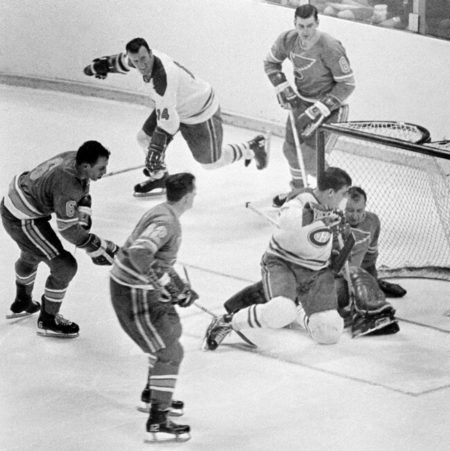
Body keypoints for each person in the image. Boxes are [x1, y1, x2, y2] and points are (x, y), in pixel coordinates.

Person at [84, 37, 269, 197]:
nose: (141, 65)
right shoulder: (139, 59)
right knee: (143, 138)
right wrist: (103, 66)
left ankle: (251, 147)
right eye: (136, 61)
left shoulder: (163, 77)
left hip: (199, 112)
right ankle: (160, 177)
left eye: (143, 59)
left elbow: (169, 123)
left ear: (150, 53)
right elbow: (122, 61)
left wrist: (156, 151)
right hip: (173, 106)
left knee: (210, 163)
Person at [222, 186, 405, 337]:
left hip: (346, 283)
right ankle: (250, 307)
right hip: (326, 278)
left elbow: (370, 258)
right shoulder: (327, 224)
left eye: (359, 211)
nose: (355, 216)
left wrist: (373, 283)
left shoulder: (372, 222)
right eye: (349, 211)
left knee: (356, 275)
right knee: (292, 293)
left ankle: (369, 312)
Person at [203, 167, 352, 351]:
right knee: (281, 310)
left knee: (329, 332)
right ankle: (227, 322)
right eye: (344, 193)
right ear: (330, 192)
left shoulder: (336, 207)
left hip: (316, 271)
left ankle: (298, 311)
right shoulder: (300, 200)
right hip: (283, 264)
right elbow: (289, 221)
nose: (346, 199)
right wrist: (321, 216)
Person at [109, 172, 198, 443]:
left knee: (172, 329)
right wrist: (162, 282)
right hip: (133, 292)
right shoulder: (165, 222)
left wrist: (179, 288)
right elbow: (139, 253)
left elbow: (159, 262)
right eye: (194, 192)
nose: (195, 196)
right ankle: (158, 419)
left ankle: (154, 393)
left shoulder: (164, 212)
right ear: (186, 197)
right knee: (169, 351)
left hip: (138, 289)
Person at [1, 141, 118, 338]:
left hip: (17, 206)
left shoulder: (74, 158)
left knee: (32, 253)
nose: (105, 171)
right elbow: (68, 229)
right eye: (101, 168)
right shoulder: (67, 184)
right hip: (22, 219)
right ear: (86, 166)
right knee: (65, 265)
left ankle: (22, 301)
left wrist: (84, 211)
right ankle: (48, 319)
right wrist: (96, 245)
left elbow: (81, 192)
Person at [264, 4, 355, 206]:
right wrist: (282, 86)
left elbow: (347, 84)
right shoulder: (287, 40)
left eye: (310, 26)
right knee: (290, 150)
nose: (305, 31)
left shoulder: (330, 47)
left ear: (317, 23)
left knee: (311, 158)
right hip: (301, 102)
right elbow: (270, 63)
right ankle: (299, 193)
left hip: (330, 108)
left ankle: (336, 198)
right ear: (294, 24)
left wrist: (318, 109)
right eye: (301, 26)